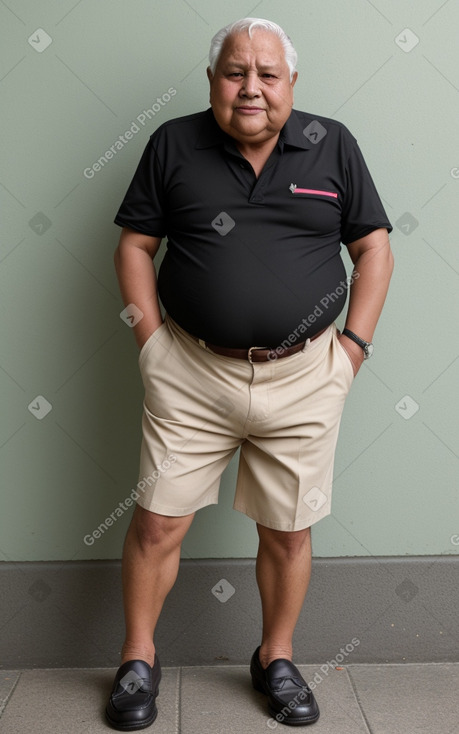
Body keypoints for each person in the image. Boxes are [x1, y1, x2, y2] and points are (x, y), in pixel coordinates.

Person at [105, 17, 394, 730]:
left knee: (288, 531)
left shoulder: (333, 145)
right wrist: (150, 343)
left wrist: (350, 349)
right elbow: (136, 244)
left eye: (268, 74)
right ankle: (137, 660)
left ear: (291, 82)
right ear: (213, 81)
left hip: (304, 376)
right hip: (191, 374)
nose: (252, 87)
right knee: (154, 524)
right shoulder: (173, 142)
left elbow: (375, 248)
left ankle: (276, 657)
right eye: (236, 73)